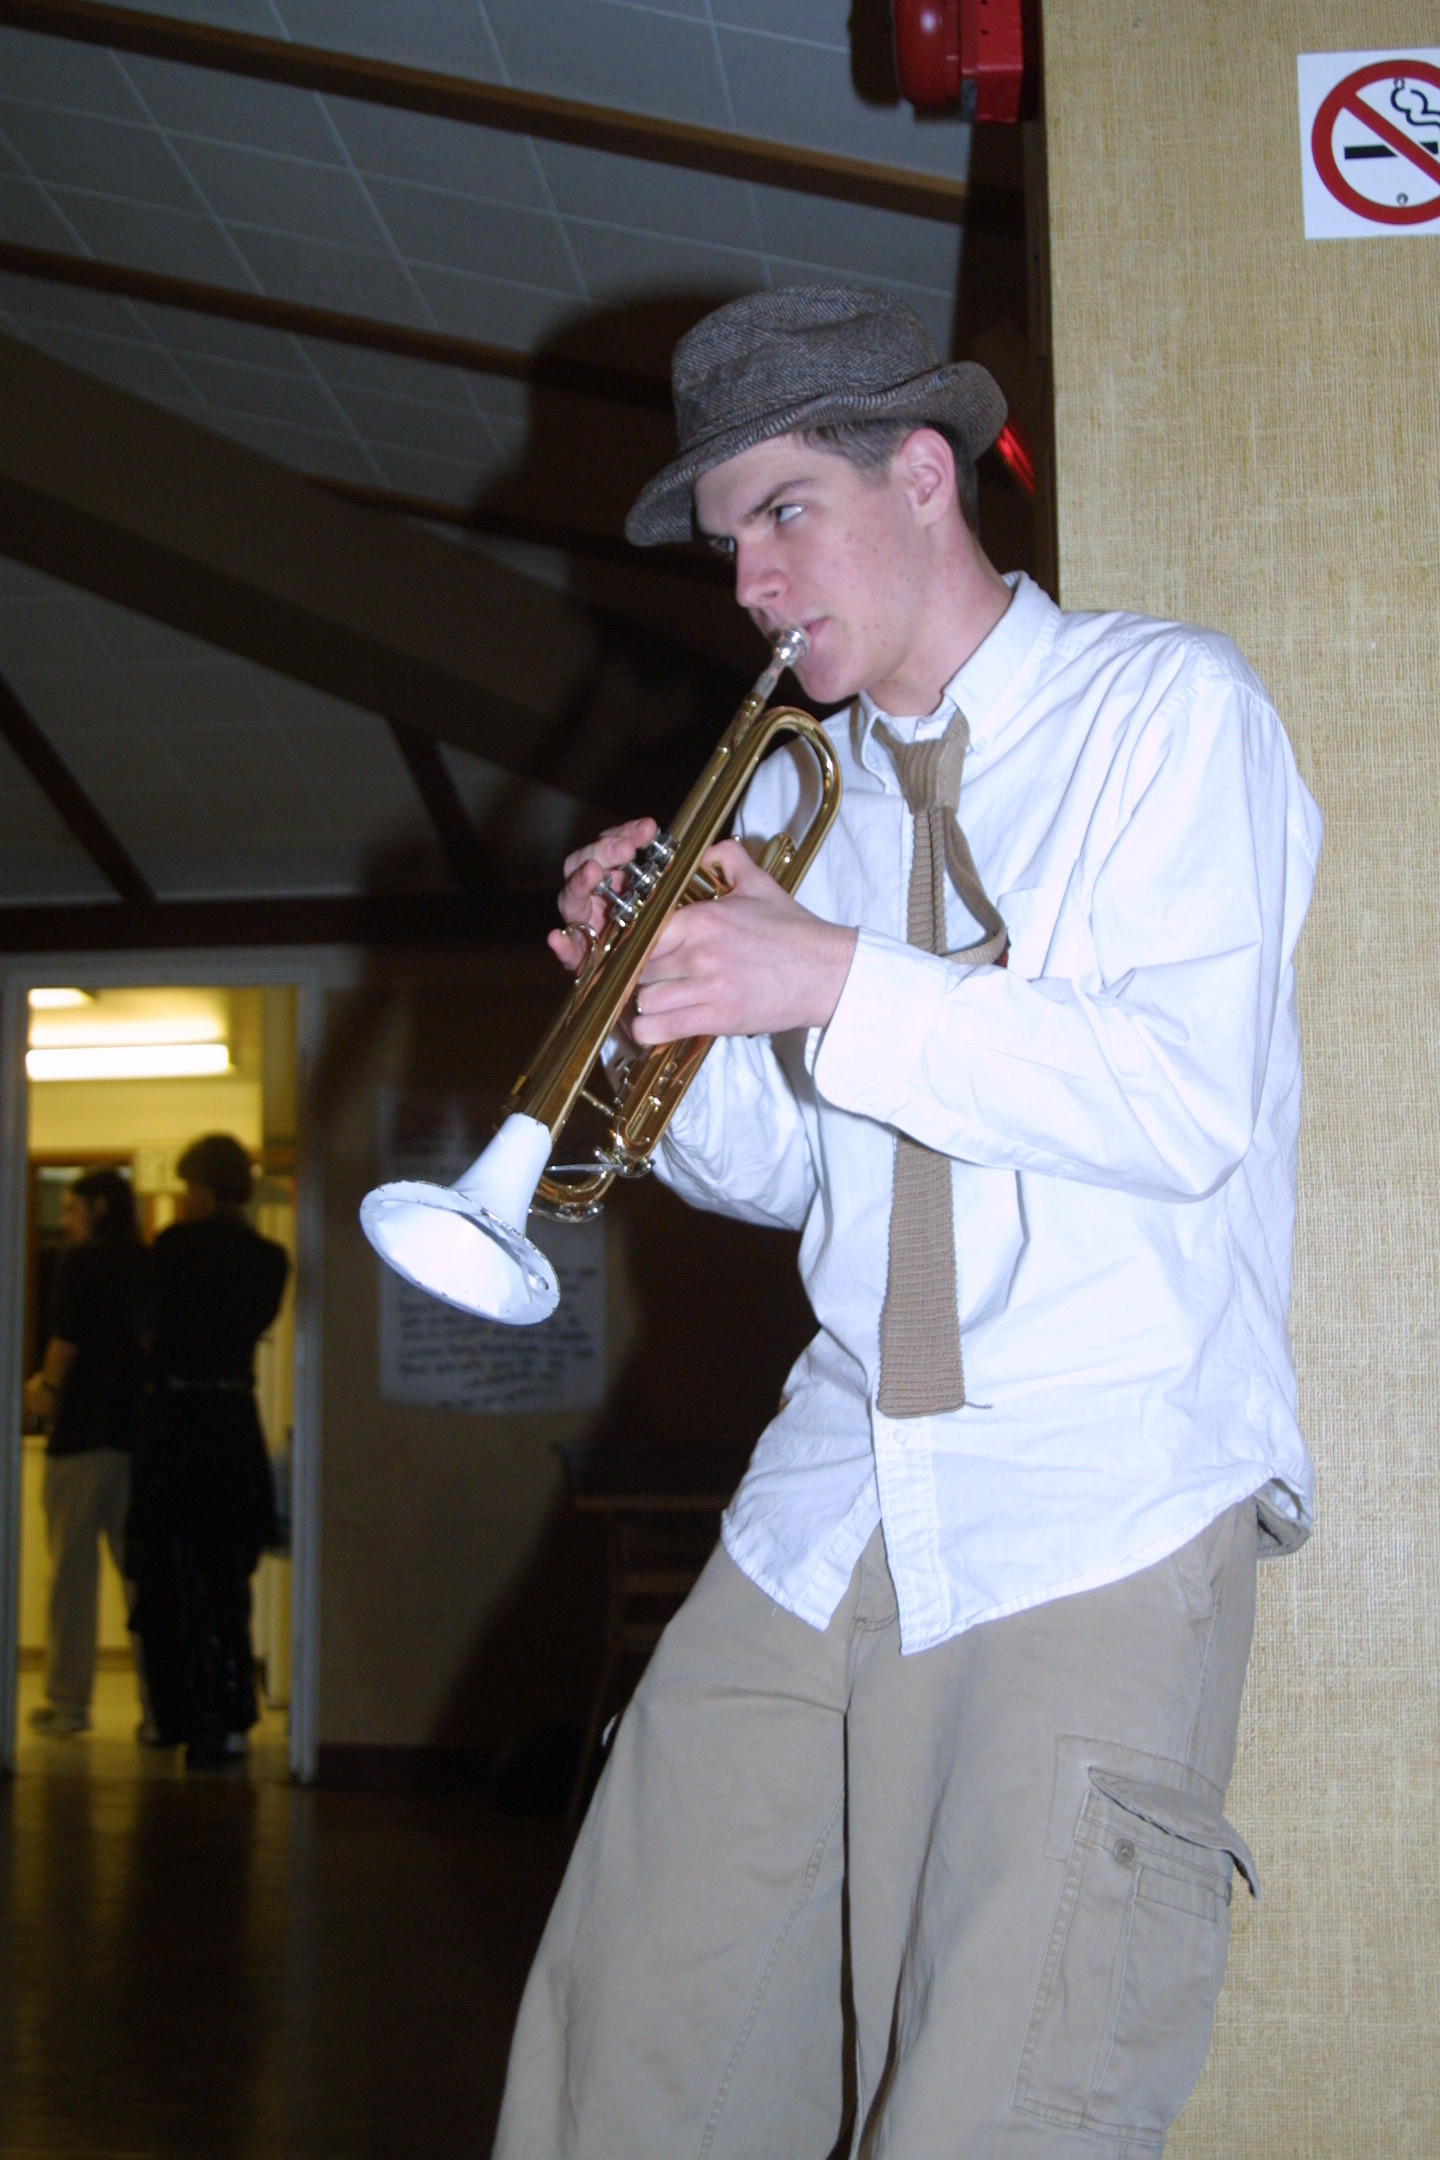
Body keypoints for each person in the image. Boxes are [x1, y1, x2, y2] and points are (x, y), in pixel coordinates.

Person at [491, 286, 1323, 2158]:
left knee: (1001, 2104)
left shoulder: (1167, 711)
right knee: (627, 2056)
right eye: (729, 548)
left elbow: (1180, 1101)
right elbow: (804, 1172)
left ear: (926, 475)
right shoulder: (817, 803)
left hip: (1090, 1495)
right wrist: (659, 1019)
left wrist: (829, 974)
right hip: (831, 1492)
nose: (752, 585)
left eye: (783, 512)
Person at [127, 1134, 288, 1770]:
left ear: (202, 1187)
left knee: (166, 1573)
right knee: (226, 1576)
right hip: (231, 1418)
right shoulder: (269, 1259)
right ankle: (230, 1713)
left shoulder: (173, 1247)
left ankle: (176, 1715)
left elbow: (146, 1329)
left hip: (174, 1420)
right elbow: (253, 1324)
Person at [23, 1167, 146, 1737]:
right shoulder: (146, 1260)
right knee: (139, 1577)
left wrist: (46, 1391)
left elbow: (65, 1340)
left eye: (72, 1208)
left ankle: (69, 1703)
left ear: (98, 1207)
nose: (66, 1220)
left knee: (71, 1576)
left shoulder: (79, 1262)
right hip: (135, 1435)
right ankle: (158, 1707)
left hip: (79, 1436)